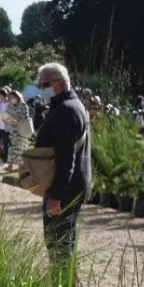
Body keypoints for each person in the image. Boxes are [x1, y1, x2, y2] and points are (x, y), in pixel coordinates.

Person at [34, 63, 92, 271]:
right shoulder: (72, 105)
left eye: (44, 85)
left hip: (65, 188)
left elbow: (65, 157)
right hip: (74, 184)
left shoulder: (66, 110)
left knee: (58, 245)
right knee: (64, 243)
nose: (41, 90)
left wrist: (56, 195)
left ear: (58, 82)